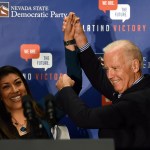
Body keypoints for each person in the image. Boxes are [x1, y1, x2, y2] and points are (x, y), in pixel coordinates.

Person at [55, 12, 150, 149]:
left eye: (115, 68)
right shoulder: (137, 86)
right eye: (107, 69)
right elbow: (99, 78)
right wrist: (80, 38)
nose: (110, 75)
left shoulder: (138, 101)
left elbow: (85, 118)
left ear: (135, 66)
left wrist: (65, 89)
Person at [0, 65, 52, 139]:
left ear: (25, 85)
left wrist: (71, 53)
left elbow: (68, 94)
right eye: (6, 87)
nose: (15, 90)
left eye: (18, 83)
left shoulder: (44, 109)